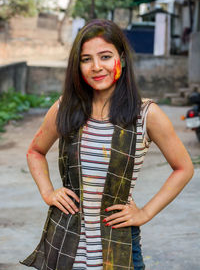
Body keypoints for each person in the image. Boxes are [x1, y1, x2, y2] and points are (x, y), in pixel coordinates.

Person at [20, 19, 194, 270]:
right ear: (77, 65)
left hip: (118, 241)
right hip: (65, 239)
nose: (96, 67)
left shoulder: (145, 114)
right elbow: (35, 151)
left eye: (105, 56)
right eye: (86, 59)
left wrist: (145, 213)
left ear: (121, 59)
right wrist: (48, 192)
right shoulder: (65, 108)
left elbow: (184, 168)